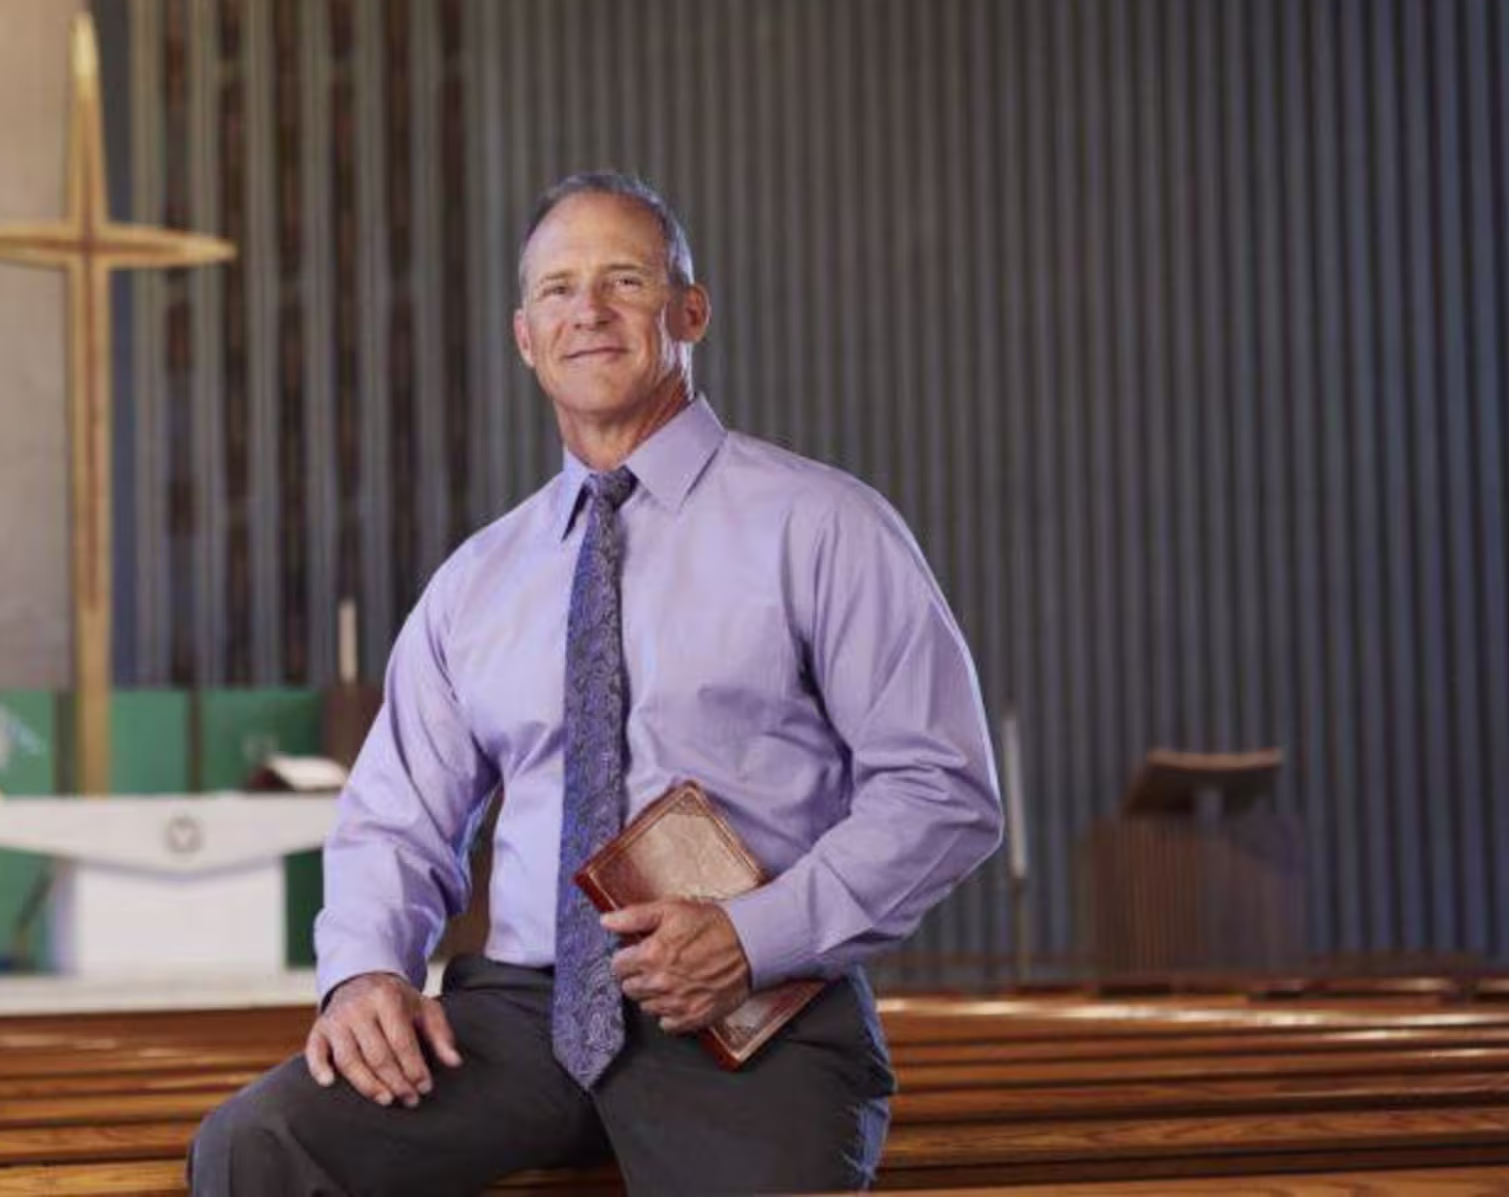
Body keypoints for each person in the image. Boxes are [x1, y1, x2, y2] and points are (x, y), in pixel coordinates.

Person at [189, 171, 1002, 1195]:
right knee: (256, 1146)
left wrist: (758, 937)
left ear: (690, 312)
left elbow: (943, 791)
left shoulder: (823, 527)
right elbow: (395, 818)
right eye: (559, 289)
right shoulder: (477, 581)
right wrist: (364, 973)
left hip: (748, 1014)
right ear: (526, 337)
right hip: (519, 1015)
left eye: (625, 279)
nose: (590, 310)